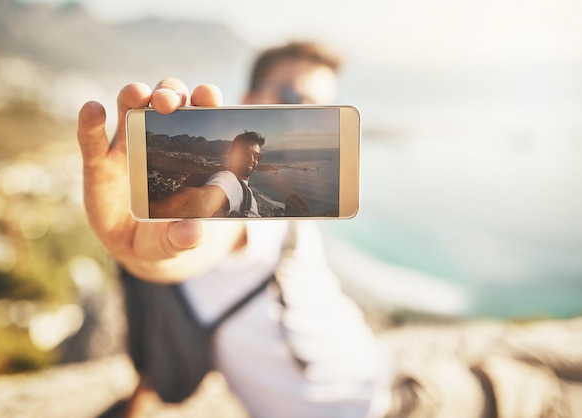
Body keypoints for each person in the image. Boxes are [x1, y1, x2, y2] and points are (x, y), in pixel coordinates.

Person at [80, 42, 582, 418]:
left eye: (316, 106)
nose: (301, 112)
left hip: (382, 361)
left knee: (546, 352)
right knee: (544, 393)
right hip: (383, 405)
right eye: (290, 95)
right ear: (248, 97)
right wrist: (138, 252)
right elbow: (196, 239)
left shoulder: (270, 200)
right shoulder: (229, 200)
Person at [149, 131, 265, 218]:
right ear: (231, 155)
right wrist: (142, 217)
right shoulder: (228, 179)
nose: (252, 159)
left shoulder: (242, 187)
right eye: (246, 153)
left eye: (257, 156)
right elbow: (201, 200)